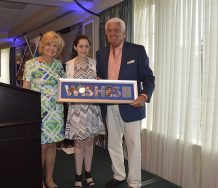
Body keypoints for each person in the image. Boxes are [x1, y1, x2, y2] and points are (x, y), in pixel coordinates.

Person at [96, 17, 155, 188]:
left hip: (131, 106)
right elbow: (100, 76)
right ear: (106, 34)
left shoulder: (137, 50)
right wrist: (97, 81)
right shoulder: (101, 53)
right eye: (109, 31)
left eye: (117, 30)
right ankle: (119, 175)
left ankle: (135, 182)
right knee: (113, 143)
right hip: (109, 106)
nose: (113, 33)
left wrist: (144, 96)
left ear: (124, 33)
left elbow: (148, 78)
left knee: (133, 145)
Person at [23, 31, 65, 188]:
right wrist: (27, 112)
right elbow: (25, 90)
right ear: (42, 45)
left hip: (56, 110)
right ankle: (37, 179)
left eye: (55, 46)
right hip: (38, 111)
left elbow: (66, 87)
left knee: (52, 145)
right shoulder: (31, 64)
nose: (52, 48)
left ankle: (49, 178)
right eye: (49, 44)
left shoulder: (59, 65)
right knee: (41, 146)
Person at [65, 35, 105, 188]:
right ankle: (78, 176)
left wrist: (99, 82)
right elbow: (66, 88)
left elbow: (100, 82)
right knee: (79, 142)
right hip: (76, 108)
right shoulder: (68, 65)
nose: (84, 49)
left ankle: (88, 174)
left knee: (89, 142)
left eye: (86, 46)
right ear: (75, 47)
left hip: (92, 108)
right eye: (80, 46)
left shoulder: (95, 63)